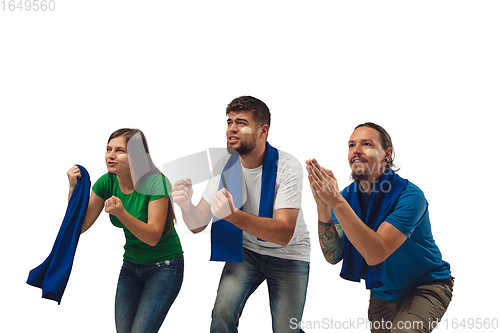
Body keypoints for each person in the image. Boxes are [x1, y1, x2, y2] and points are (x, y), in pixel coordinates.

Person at [172, 96, 310, 333]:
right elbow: (198, 223)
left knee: (287, 330)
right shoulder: (224, 165)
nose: (232, 129)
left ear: (263, 131)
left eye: (242, 123)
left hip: (289, 254)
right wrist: (186, 205)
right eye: (229, 122)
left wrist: (233, 215)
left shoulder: (287, 166)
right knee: (221, 318)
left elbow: (283, 233)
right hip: (246, 252)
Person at [306, 122, 453, 333]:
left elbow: (376, 253)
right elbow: (334, 255)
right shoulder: (347, 197)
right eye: (351, 145)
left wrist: (336, 203)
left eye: (366, 144)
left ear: (387, 154)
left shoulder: (410, 196)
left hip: (426, 285)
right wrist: (323, 208)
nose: (355, 151)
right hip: (383, 293)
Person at [67, 128, 184, 333]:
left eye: (119, 150)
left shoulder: (156, 182)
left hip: (164, 267)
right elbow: (79, 226)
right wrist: (72, 189)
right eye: (108, 149)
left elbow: (153, 236)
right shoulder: (107, 182)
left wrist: (122, 213)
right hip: (131, 267)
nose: (111, 155)